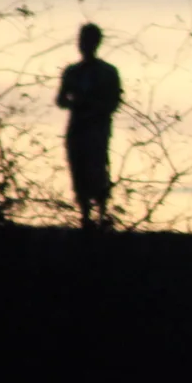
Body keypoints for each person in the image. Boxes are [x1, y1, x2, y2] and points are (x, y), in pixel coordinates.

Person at [56, 22, 123, 229]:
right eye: (82, 41)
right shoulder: (72, 72)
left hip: (96, 129)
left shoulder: (108, 72)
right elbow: (60, 100)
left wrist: (95, 107)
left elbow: (114, 101)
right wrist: (76, 103)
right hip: (77, 128)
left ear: (97, 43)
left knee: (97, 170)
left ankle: (101, 215)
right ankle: (85, 217)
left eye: (88, 41)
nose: (84, 45)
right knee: (78, 170)